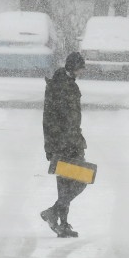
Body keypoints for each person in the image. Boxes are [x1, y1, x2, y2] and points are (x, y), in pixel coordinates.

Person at [40, 51, 86, 238]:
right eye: (80, 68)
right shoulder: (60, 86)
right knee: (75, 182)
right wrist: (51, 146)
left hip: (71, 141)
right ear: (73, 68)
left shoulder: (67, 84)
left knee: (70, 183)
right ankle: (60, 219)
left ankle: (57, 216)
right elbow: (50, 119)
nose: (82, 72)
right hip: (64, 144)